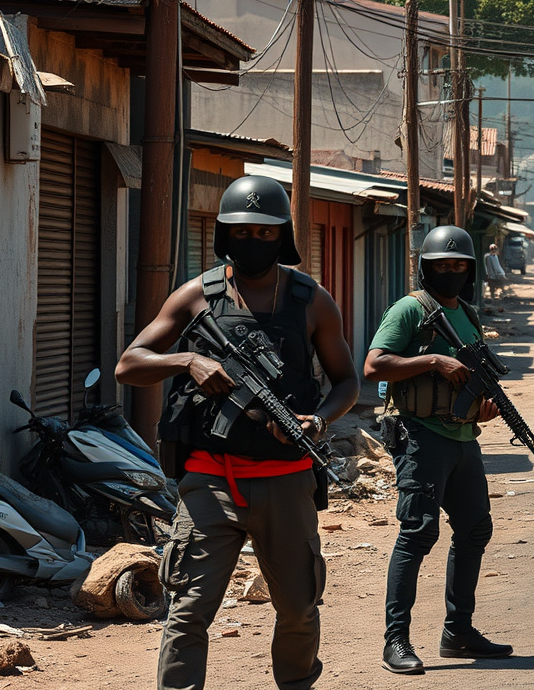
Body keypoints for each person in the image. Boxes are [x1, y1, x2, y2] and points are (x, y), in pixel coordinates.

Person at [114, 175, 360, 690]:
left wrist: (319, 421)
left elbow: (346, 381)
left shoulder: (311, 300)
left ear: (282, 236)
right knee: (188, 611)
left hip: (287, 478)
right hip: (211, 479)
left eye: (265, 232)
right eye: (242, 231)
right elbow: (129, 364)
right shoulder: (196, 296)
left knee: (299, 608)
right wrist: (188, 361)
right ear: (225, 234)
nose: (254, 240)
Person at [364, 226, 511, 675]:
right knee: (418, 533)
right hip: (421, 438)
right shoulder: (410, 309)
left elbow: (471, 381)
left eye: (459, 265)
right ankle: (396, 641)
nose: (452, 271)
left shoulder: (467, 312)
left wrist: (482, 410)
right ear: (426, 268)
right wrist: (432, 360)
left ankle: (458, 632)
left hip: (463, 440)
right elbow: (374, 365)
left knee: (475, 531)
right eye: (442, 265)